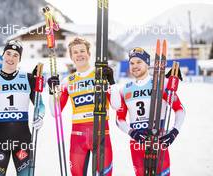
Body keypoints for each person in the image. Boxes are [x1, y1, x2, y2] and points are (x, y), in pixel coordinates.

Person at [47, 37, 121, 176]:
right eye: (75, 52)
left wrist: (111, 81)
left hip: (101, 136)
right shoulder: (67, 81)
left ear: (89, 54)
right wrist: (52, 92)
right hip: (77, 139)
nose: (79, 54)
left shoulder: (100, 75)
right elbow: (55, 113)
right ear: (71, 56)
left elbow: (116, 105)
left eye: (82, 51)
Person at [116, 47, 185, 176]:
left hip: (158, 141)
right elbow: (119, 119)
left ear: (147, 63)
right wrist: (132, 133)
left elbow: (180, 110)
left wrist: (174, 131)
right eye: (132, 63)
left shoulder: (162, 84)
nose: (135, 66)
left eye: (139, 62)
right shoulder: (124, 89)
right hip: (137, 144)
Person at [0, 40, 45, 176]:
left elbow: (39, 104)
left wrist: (40, 116)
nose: (11, 58)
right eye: (8, 53)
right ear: (3, 55)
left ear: (19, 59)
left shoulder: (28, 78)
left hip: (22, 141)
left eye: (15, 55)